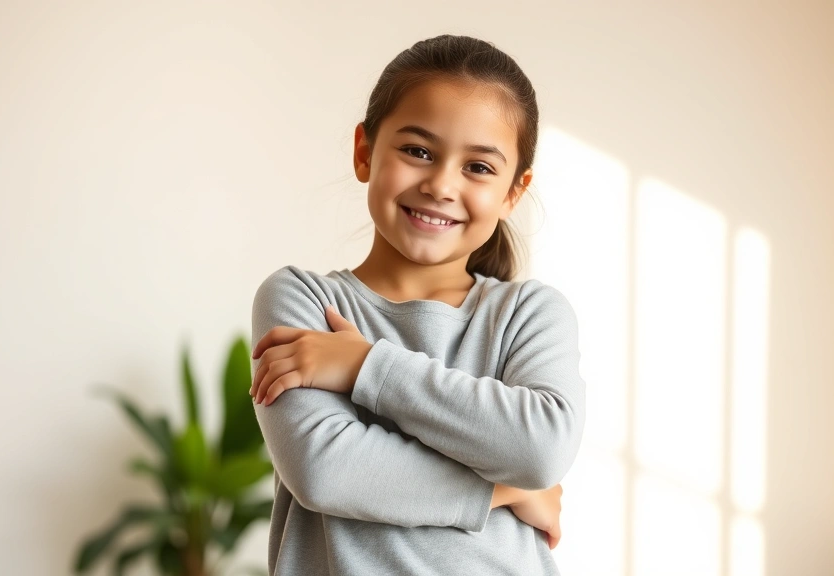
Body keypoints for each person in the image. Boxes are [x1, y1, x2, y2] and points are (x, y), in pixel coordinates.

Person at [247, 34, 585, 576]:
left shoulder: (529, 315)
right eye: (418, 151)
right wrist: (502, 489)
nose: (441, 184)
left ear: (512, 194)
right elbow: (327, 471)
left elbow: (541, 449)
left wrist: (363, 365)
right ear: (365, 152)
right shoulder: (303, 300)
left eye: (478, 167)